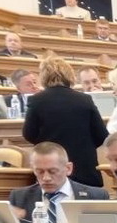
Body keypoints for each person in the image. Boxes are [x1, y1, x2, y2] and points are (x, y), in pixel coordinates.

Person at [23, 57, 109, 187]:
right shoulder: (84, 99)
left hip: (52, 169)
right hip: (83, 168)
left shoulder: (37, 101)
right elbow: (101, 135)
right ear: (69, 75)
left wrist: (46, 144)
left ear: (44, 76)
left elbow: (29, 134)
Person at [8, 141, 109, 223]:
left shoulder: (95, 196)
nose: (46, 178)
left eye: (52, 171)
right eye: (40, 172)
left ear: (68, 168)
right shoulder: (19, 197)